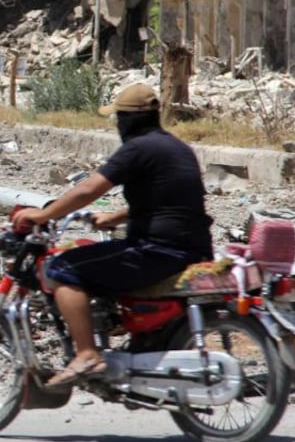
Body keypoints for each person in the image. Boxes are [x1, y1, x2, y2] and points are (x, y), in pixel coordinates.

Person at [11, 83, 213, 387]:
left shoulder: (137, 148)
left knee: (62, 268)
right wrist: (114, 217)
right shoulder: (176, 147)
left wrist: (42, 215)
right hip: (192, 246)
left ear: (127, 120)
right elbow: (166, 202)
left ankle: (88, 354)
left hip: (157, 251)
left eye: (118, 117)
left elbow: (88, 189)